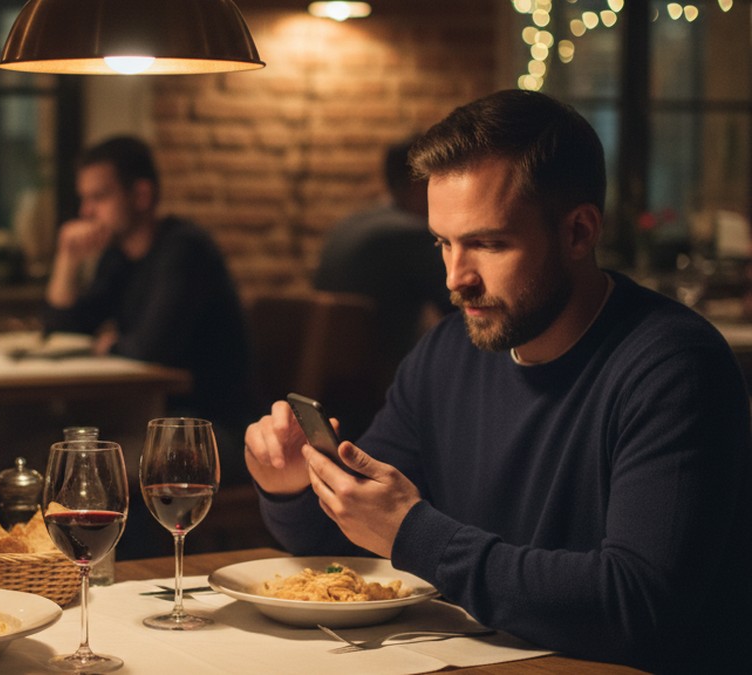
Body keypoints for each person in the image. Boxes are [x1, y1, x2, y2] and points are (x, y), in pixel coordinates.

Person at [244, 90, 750, 673]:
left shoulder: (673, 366)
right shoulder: (445, 354)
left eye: (487, 243)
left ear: (579, 232)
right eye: (442, 243)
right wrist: (290, 487)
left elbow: (636, 605)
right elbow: (350, 543)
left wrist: (416, 534)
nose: (456, 278)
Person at [43, 135, 253, 473]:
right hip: (155, 419)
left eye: (99, 197)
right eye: (84, 199)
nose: (86, 212)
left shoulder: (184, 250)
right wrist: (67, 259)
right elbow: (60, 330)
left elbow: (150, 349)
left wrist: (112, 346)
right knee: (59, 447)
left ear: (141, 195)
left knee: (84, 464)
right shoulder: (119, 258)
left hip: (208, 430)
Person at [313, 137, 452, 364]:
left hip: (326, 367)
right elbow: (460, 307)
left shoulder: (348, 224)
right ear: (418, 183)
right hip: (382, 375)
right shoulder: (410, 233)